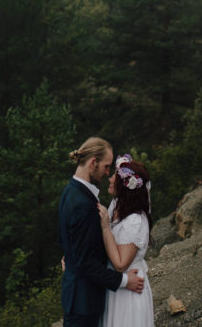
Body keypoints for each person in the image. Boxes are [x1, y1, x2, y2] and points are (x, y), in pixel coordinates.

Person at [58, 137, 145, 327]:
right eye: (106, 167)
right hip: (84, 303)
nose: (108, 173)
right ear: (93, 163)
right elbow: (86, 263)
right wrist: (124, 281)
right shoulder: (83, 204)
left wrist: (72, 262)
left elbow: (73, 243)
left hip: (79, 297)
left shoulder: (70, 192)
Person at [98, 153, 155, 326]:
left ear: (125, 185)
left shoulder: (134, 221)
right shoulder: (116, 204)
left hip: (129, 291)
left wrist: (106, 227)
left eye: (114, 176)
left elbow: (121, 264)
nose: (110, 179)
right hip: (117, 287)